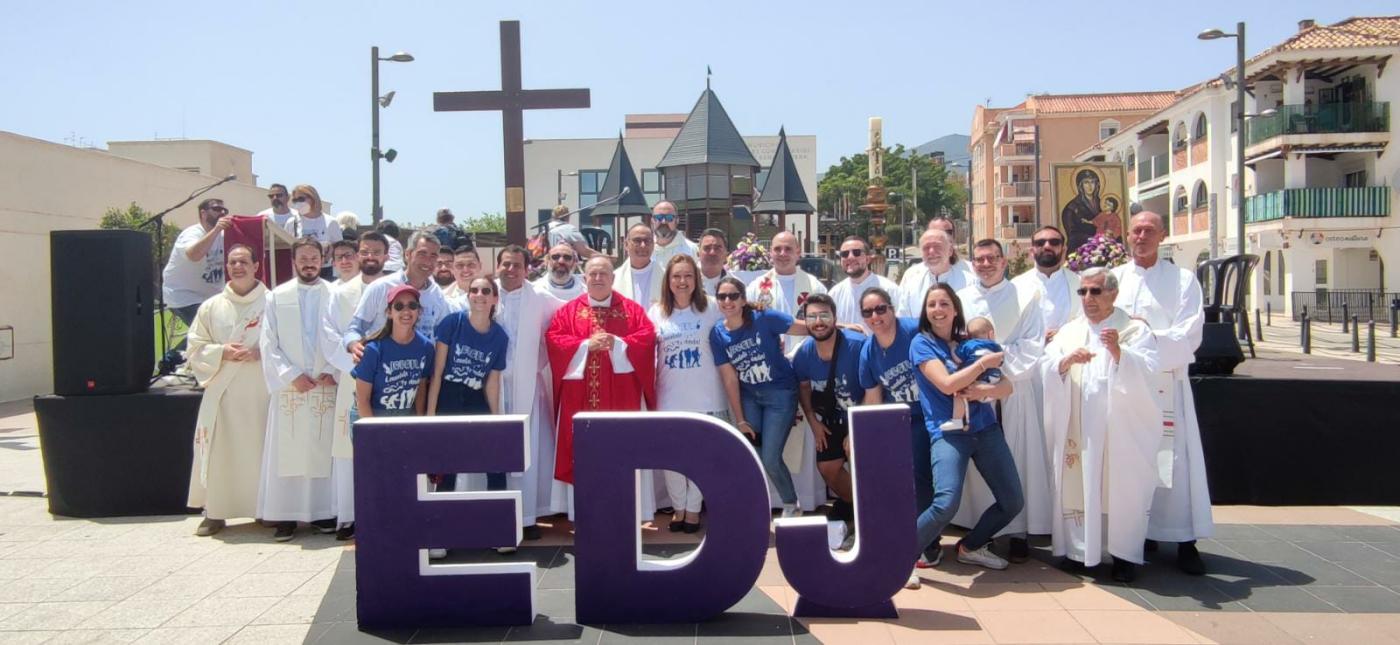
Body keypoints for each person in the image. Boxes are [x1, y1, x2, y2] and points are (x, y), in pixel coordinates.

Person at [1042, 267, 1162, 582]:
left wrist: (1119, 352)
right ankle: (1078, 551)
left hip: (1118, 430)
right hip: (1078, 429)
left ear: (1113, 293)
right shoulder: (1069, 331)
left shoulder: (1133, 330)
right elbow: (1047, 365)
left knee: (1120, 488)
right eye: (1083, 292)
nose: (1088, 298)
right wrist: (1064, 363)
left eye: (1096, 291)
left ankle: (1122, 555)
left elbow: (1150, 373)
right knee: (1078, 484)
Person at [1112, 211, 1211, 575]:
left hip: (1166, 383)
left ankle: (1186, 541)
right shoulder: (1114, 279)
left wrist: (1145, 335)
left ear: (1162, 235)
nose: (1141, 236)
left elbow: (1189, 333)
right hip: (1125, 387)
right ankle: (1137, 536)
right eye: (1136, 230)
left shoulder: (1182, 280)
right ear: (1127, 235)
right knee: (1131, 464)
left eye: (1149, 230)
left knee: (1177, 465)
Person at [909, 283, 1018, 587]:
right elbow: (946, 384)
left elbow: (1007, 387)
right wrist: (983, 364)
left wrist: (985, 389)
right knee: (945, 503)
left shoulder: (967, 341)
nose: (938, 310)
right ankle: (902, 556)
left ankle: (971, 546)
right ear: (925, 311)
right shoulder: (921, 343)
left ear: (955, 308)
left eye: (944, 303)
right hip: (948, 433)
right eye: (932, 304)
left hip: (985, 429)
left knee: (1012, 501)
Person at [953, 239, 1046, 563]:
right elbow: (952, 346)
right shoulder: (961, 299)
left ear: (1004, 261)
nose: (986, 264)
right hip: (971, 396)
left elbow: (1033, 345)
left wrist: (993, 375)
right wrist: (973, 377)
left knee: (1015, 462)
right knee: (978, 474)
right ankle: (979, 531)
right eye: (979, 259)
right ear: (972, 262)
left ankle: (1016, 531)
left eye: (992, 258)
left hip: (1012, 394)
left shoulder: (1026, 296)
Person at [545, 256, 656, 503]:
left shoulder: (632, 310)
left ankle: (627, 507)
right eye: (592, 274)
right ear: (584, 278)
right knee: (582, 449)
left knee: (623, 448)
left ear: (613, 278)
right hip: (579, 397)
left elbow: (647, 338)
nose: (597, 278)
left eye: (603, 273)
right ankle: (580, 510)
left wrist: (618, 344)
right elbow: (554, 340)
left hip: (621, 395)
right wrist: (585, 345)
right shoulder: (568, 312)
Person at [257, 237, 338, 542]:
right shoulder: (277, 296)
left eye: (314, 257)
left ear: (322, 258)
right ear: (293, 261)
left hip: (323, 384)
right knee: (287, 450)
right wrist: (291, 375)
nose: (308, 263)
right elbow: (268, 342)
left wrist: (332, 370)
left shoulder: (335, 294)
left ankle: (322, 513)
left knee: (322, 448)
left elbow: (345, 336)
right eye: (302, 258)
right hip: (292, 388)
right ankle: (285, 515)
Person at [185, 244, 269, 537]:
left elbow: (286, 345)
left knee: (259, 450)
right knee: (220, 451)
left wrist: (261, 353)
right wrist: (222, 352)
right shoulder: (211, 306)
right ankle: (216, 511)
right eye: (232, 262)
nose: (237, 267)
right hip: (223, 393)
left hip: (260, 393)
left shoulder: (272, 302)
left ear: (257, 265)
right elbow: (194, 347)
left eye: (244, 261)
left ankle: (264, 509)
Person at [711, 276, 809, 518]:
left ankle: (790, 504)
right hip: (749, 396)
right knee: (751, 454)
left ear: (743, 299)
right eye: (722, 296)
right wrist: (740, 419)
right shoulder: (717, 333)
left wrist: (843, 327)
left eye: (733, 295)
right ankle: (752, 504)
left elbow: (808, 327)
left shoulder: (765, 318)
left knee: (770, 457)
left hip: (780, 395)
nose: (727, 301)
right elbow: (730, 378)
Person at [857, 287, 939, 567]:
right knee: (913, 478)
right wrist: (871, 438)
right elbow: (873, 396)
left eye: (881, 309)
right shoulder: (868, 351)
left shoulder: (914, 330)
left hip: (934, 413)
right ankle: (922, 539)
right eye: (868, 312)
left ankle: (928, 544)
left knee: (923, 477)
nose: (875, 316)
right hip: (904, 419)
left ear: (892, 309)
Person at [350, 284, 436, 552]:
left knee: (407, 484)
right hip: (372, 421)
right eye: (399, 306)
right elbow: (362, 399)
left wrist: (421, 424)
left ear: (419, 312)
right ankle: (377, 541)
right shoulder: (374, 349)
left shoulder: (425, 347)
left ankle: (410, 536)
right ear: (389, 312)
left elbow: (421, 388)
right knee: (378, 484)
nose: (406, 311)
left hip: (405, 421)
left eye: (411, 306)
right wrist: (376, 435)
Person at [648, 254, 727, 533]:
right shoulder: (656, 312)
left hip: (706, 396)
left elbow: (743, 324)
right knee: (672, 459)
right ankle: (678, 507)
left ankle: (693, 510)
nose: (682, 282)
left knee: (700, 458)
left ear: (697, 280)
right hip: (669, 397)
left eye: (688, 276)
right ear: (668, 282)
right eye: (676, 276)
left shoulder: (713, 309)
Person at [319, 231, 390, 541]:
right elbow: (330, 336)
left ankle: (389, 512)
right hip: (354, 377)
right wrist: (359, 367)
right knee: (351, 449)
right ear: (358, 255)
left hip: (392, 381)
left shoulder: (393, 289)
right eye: (366, 251)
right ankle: (351, 515)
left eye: (377, 251)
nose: (371, 256)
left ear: (387, 256)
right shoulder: (340, 293)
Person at [492, 245, 566, 535]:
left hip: (527, 385)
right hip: (492, 386)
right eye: (506, 264)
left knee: (528, 451)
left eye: (516, 265)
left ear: (527, 269)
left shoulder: (542, 300)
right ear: (497, 265)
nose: (510, 270)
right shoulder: (483, 293)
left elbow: (568, 322)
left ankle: (527, 516)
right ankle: (494, 513)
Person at [428, 277, 509, 508]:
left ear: (495, 298)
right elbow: (437, 372)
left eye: (486, 291)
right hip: (449, 395)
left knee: (494, 459)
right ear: (468, 296)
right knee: (447, 464)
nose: (479, 295)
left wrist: (494, 420)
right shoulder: (452, 323)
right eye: (474, 290)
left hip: (475, 396)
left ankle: (498, 524)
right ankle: (440, 531)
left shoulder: (500, 336)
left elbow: (492, 382)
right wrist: (431, 416)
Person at [792, 294, 865, 537]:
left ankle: (870, 511)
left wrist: (857, 428)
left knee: (864, 464)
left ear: (835, 318)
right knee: (827, 467)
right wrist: (813, 422)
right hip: (832, 418)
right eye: (811, 316)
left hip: (861, 414)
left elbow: (873, 387)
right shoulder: (804, 353)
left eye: (824, 315)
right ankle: (856, 505)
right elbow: (803, 388)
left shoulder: (856, 345)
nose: (818, 321)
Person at [344, 231, 454, 360]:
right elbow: (354, 329)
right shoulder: (381, 287)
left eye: (433, 256)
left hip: (420, 374)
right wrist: (354, 345)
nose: (428, 261)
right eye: (422, 254)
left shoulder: (437, 296)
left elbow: (442, 338)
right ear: (407, 254)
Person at [162, 198, 230, 349]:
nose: (222, 213)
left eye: (224, 210)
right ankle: (173, 359)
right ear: (203, 214)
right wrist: (216, 230)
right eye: (217, 209)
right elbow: (194, 255)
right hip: (183, 296)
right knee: (211, 331)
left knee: (229, 326)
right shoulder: (191, 233)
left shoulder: (224, 236)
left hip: (212, 298)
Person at [746, 230, 827, 349]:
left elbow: (825, 324)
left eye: (788, 249)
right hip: (768, 358)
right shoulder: (755, 287)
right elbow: (746, 324)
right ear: (770, 253)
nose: (782, 253)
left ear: (798, 252)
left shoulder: (815, 287)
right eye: (777, 249)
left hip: (806, 357)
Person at [1012, 226, 1082, 343]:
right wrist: (1036, 336)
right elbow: (1008, 326)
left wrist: (1063, 334)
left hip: (1070, 353)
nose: (1047, 246)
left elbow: (1089, 321)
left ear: (1063, 249)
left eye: (1054, 242)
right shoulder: (1016, 285)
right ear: (1032, 251)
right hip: (1028, 356)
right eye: (1040, 243)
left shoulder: (1080, 284)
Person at [941, 316, 1003, 432]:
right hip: (994, 378)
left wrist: (952, 346)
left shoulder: (968, 345)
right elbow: (1001, 361)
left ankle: (957, 420)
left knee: (959, 393)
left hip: (976, 377)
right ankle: (985, 396)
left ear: (968, 336)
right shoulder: (996, 346)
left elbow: (957, 359)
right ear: (991, 334)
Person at [897, 229, 972, 319]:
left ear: (950, 251)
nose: (931, 251)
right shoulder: (911, 286)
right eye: (926, 248)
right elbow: (903, 321)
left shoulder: (970, 283)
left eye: (937, 246)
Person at [828, 236, 898, 331]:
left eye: (856, 253)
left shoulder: (889, 289)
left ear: (868, 259)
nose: (850, 257)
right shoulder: (834, 294)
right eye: (844, 254)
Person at [1061, 169, 1102, 253]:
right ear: (1080, 186)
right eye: (1086, 182)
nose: (1090, 186)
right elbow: (1072, 235)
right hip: (1080, 252)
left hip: (1102, 249)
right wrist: (1092, 239)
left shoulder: (1104, 204)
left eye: (1092, 182)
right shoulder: (1071, 207)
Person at [650, 201, 697, 265]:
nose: (663, 222)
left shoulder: (692, 250)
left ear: (677, 220)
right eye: (659, 217)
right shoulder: (645, 248)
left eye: (669, 217)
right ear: (652, 220)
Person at [697, 228, 734, 295]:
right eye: (707, 248)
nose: (712, 253)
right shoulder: (685, 282)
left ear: (726, 254)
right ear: (698, 253)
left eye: (717, 248)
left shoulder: (735, 286)